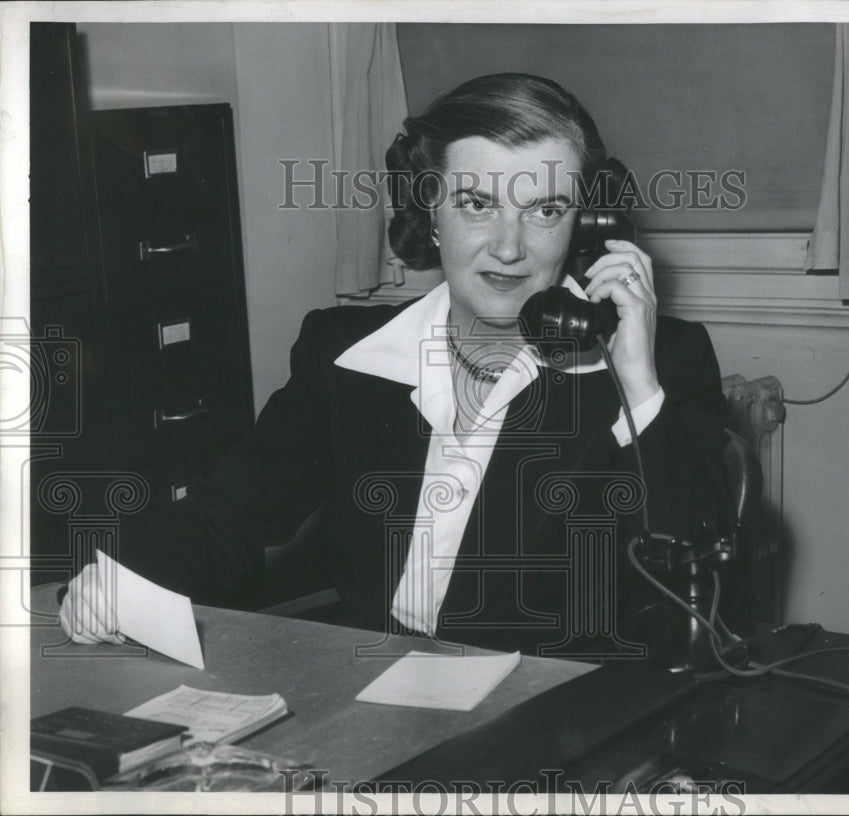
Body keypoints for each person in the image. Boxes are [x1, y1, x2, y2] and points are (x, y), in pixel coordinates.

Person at [59, 73, 733, 658]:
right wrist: (118, 580)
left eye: (545, 210)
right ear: (431, 211)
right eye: (476, 203)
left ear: (587, 227)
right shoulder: (346, 356)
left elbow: (691, 596)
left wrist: (638, 386)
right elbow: (230, 514)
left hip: (557, 723)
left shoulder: (660, 366)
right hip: (374, 696)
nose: (507, 246)